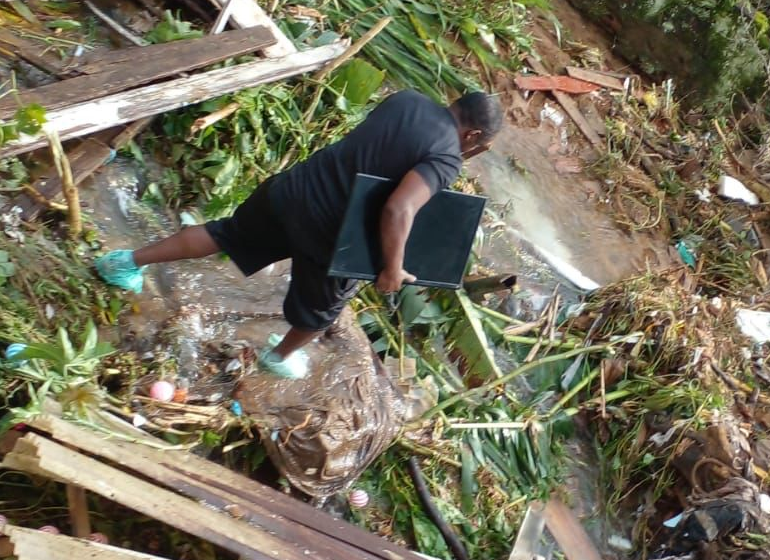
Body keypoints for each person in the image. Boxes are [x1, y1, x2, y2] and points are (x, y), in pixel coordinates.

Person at [94, 90, 503, 379]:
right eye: (478, 148)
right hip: (330, 232)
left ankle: (123, 262)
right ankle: (278, 357)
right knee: (324, 310)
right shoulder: (447, 156)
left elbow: (378, 156)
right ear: (473, 138)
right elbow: (399, 207)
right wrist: (392, 269)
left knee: (224, 234)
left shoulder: (407, 99)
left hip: (292, 190)